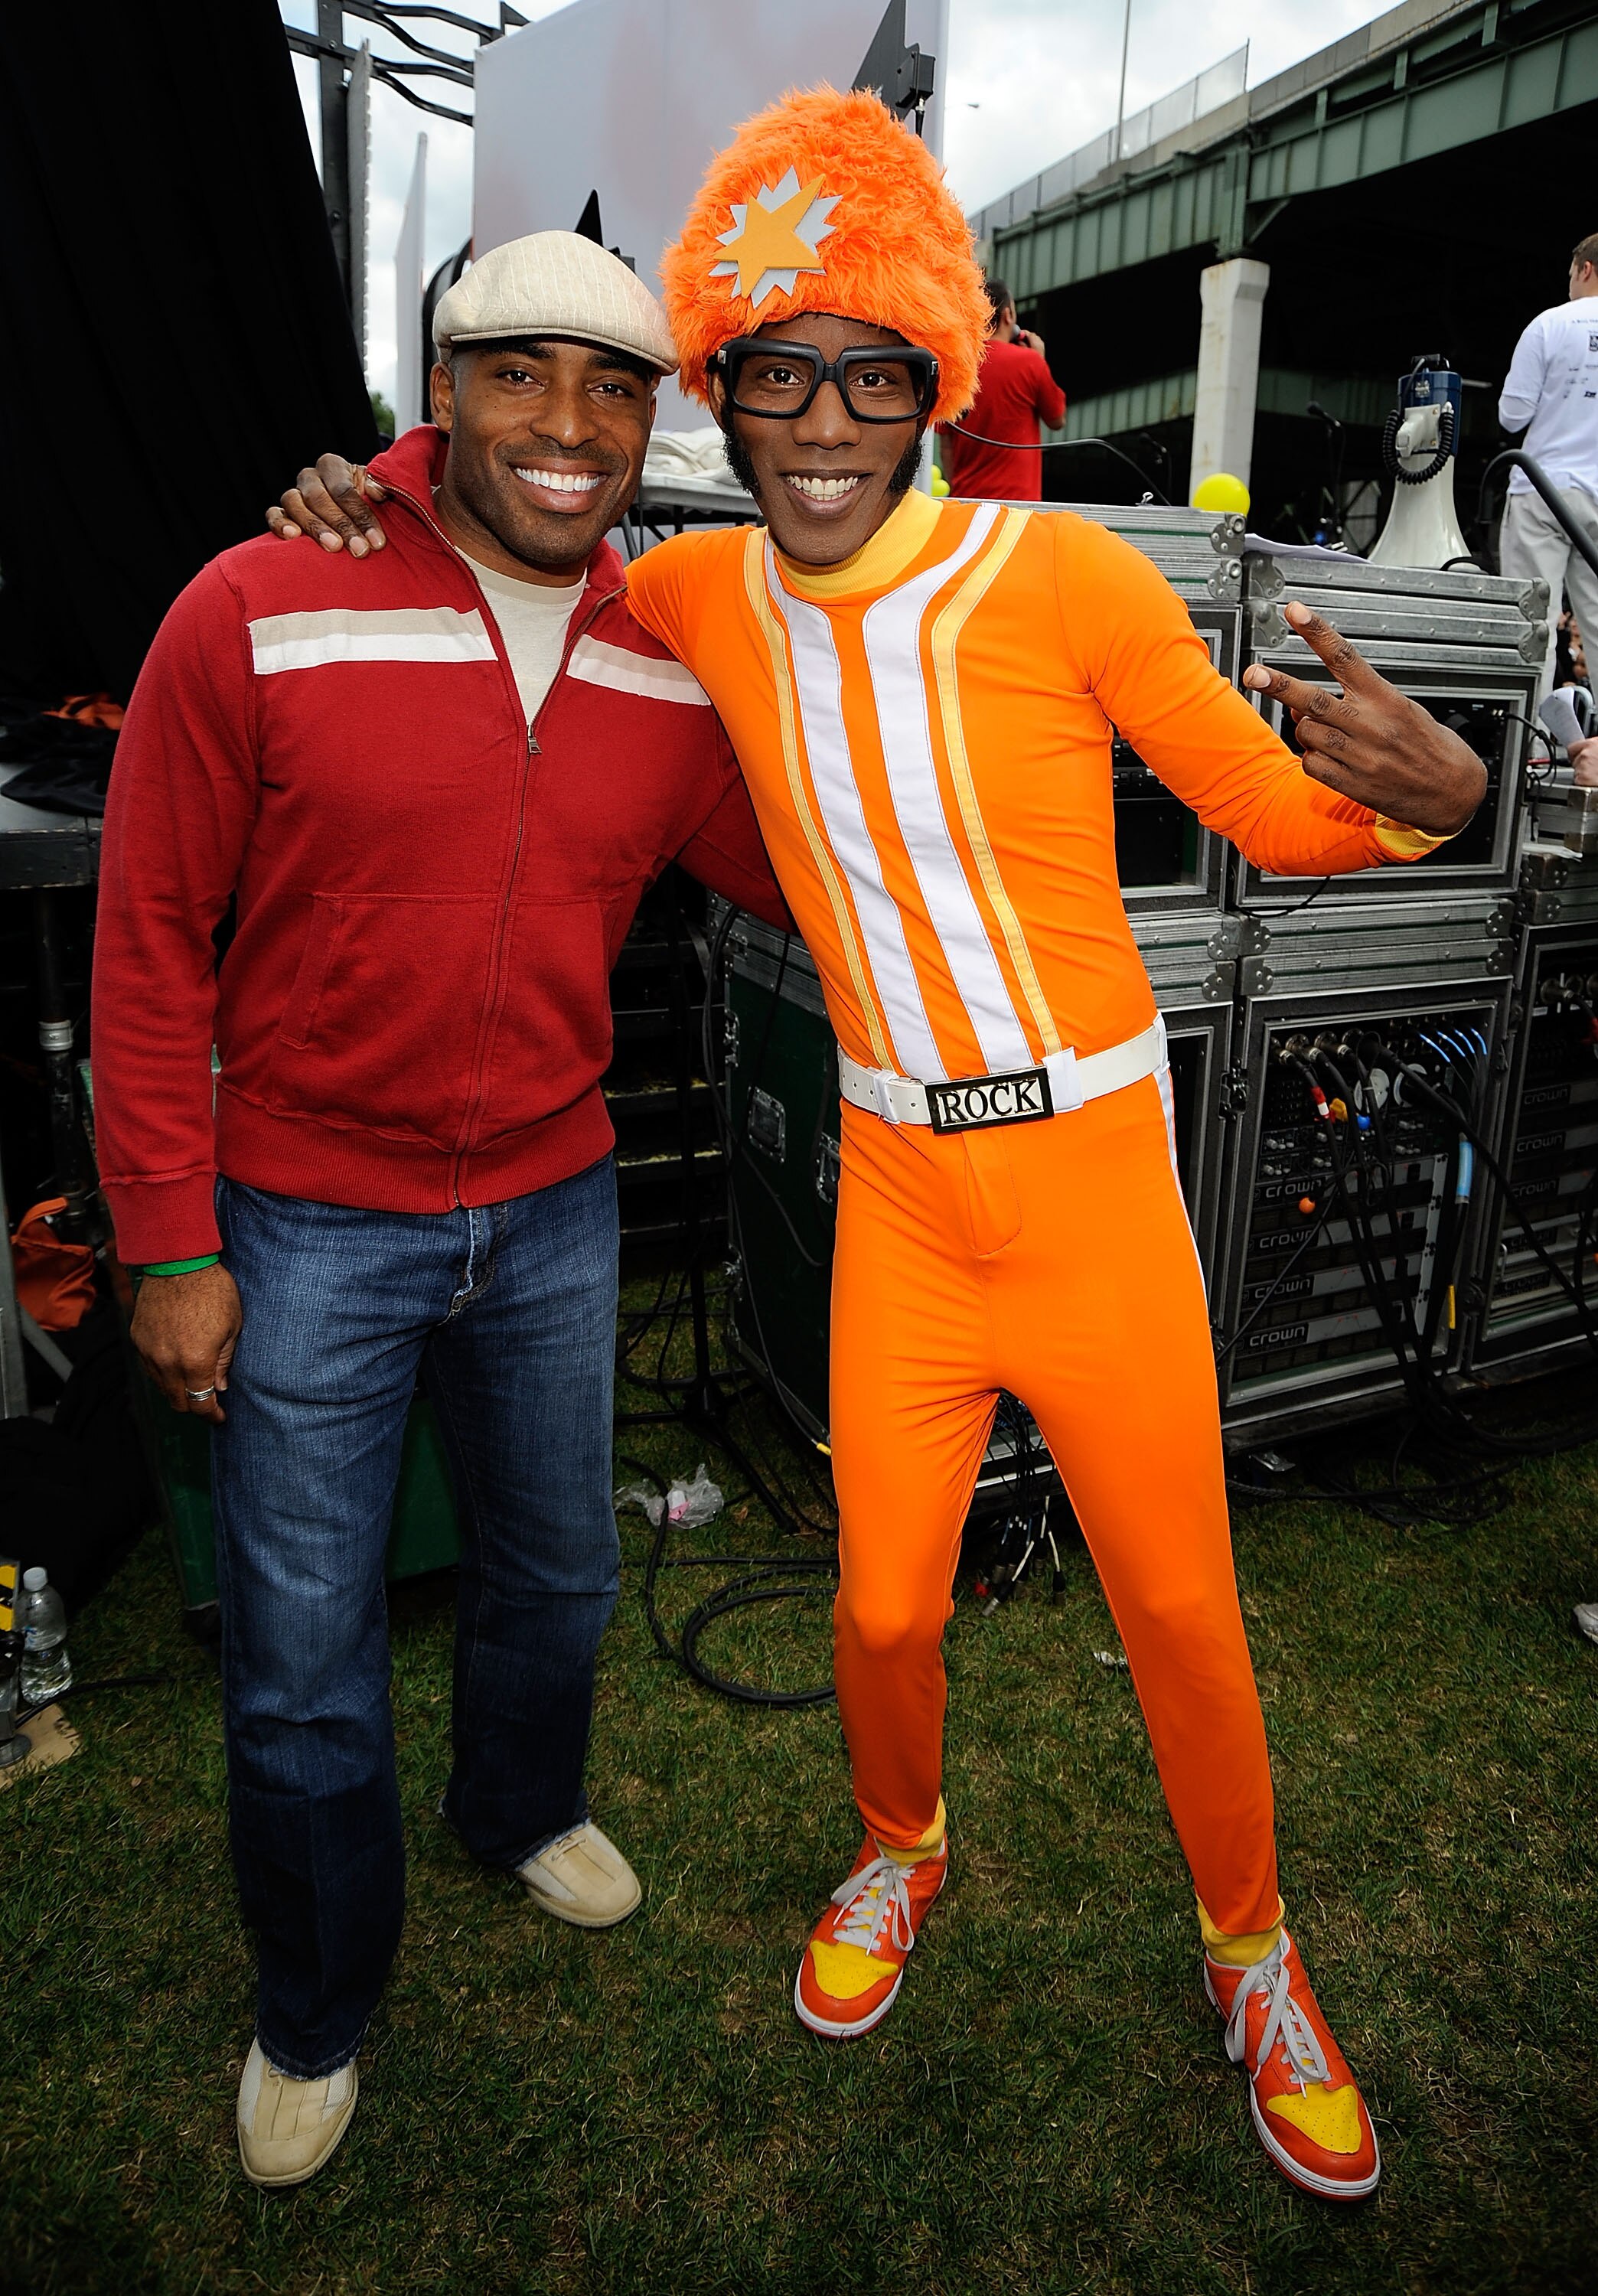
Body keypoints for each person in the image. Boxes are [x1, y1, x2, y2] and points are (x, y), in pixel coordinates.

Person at [279, 87, 1483, 2203]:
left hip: (1099, 1179)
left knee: (1187, 1619)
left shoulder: (1070, 572)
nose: (823, 423)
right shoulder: (709, 605)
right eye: (777, 378)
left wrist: (1429, 802)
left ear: (935, 385)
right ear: (726, 403)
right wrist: (385, 478)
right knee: (881, 1613)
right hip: (900, 1194)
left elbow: (1282, 820)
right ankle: (901, 1849)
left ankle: (1255, 1956)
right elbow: (534, 513)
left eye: (868, 379)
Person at [91, 231, 788, 2191]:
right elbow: (147, 934)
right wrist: (167, 1238)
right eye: (519, 375)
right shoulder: (260, 598)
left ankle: (518, 1802)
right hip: (305, 1211)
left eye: (612, 387)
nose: (567, 425)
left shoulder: (671, 651)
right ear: (441, 390)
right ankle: (314, 2002)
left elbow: (793, 861)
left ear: (650, 420)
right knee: (304, 1658)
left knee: (561, 1573)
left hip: (558, 1199)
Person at [1498, 232, 1598, 697]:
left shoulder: (1550, 324)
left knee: (1533, 617)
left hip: (1545, 488)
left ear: (1586, 269)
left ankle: (1529, 742)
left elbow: (1512, 416)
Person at [935, 276, 1065, 502]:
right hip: (1019, 502)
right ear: (1008, 316)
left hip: (967, 502)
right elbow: (1057, 419)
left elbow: (946, 444)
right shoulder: (1030, 363)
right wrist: (1040, 360)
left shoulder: (957, 365)